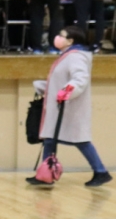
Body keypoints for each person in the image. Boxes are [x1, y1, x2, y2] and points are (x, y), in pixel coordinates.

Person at [28, 26, 111, 187]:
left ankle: (101, 172)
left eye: (62, 35)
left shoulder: (76, 57)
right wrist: (46, 86)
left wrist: (66, 92)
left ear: (70, 41)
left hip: (70, 108)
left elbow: (80, 79)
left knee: (81, 141)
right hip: (61, 107)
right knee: (50, 140)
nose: (57, 37)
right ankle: (45, 175)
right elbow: (62, 79)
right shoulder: (67, 56)